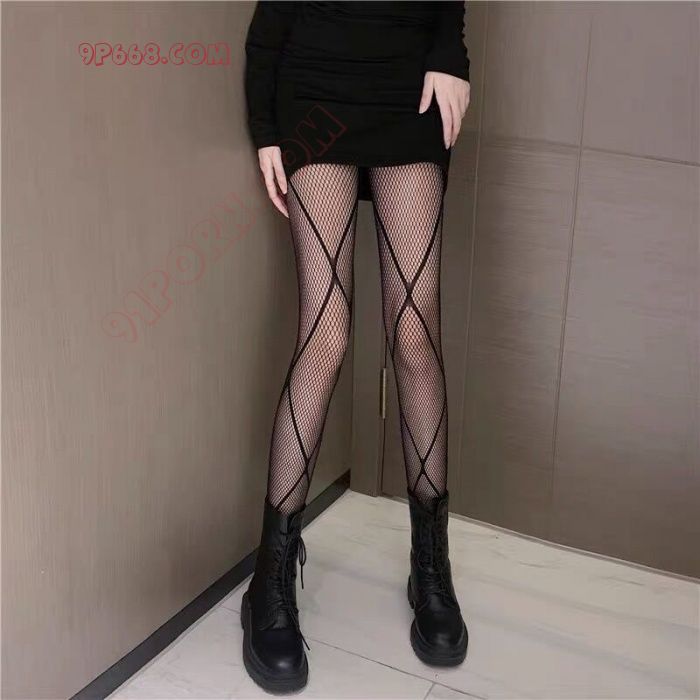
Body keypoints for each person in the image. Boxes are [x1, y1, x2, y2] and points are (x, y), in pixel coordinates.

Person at [241, 1, 471, 692]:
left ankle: (430, 565)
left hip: (409, 89)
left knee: (415, 331)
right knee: (327, 334)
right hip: (314, 93)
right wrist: (264, 128)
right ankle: (270, 577)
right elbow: (271, 18)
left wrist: (450, 54)